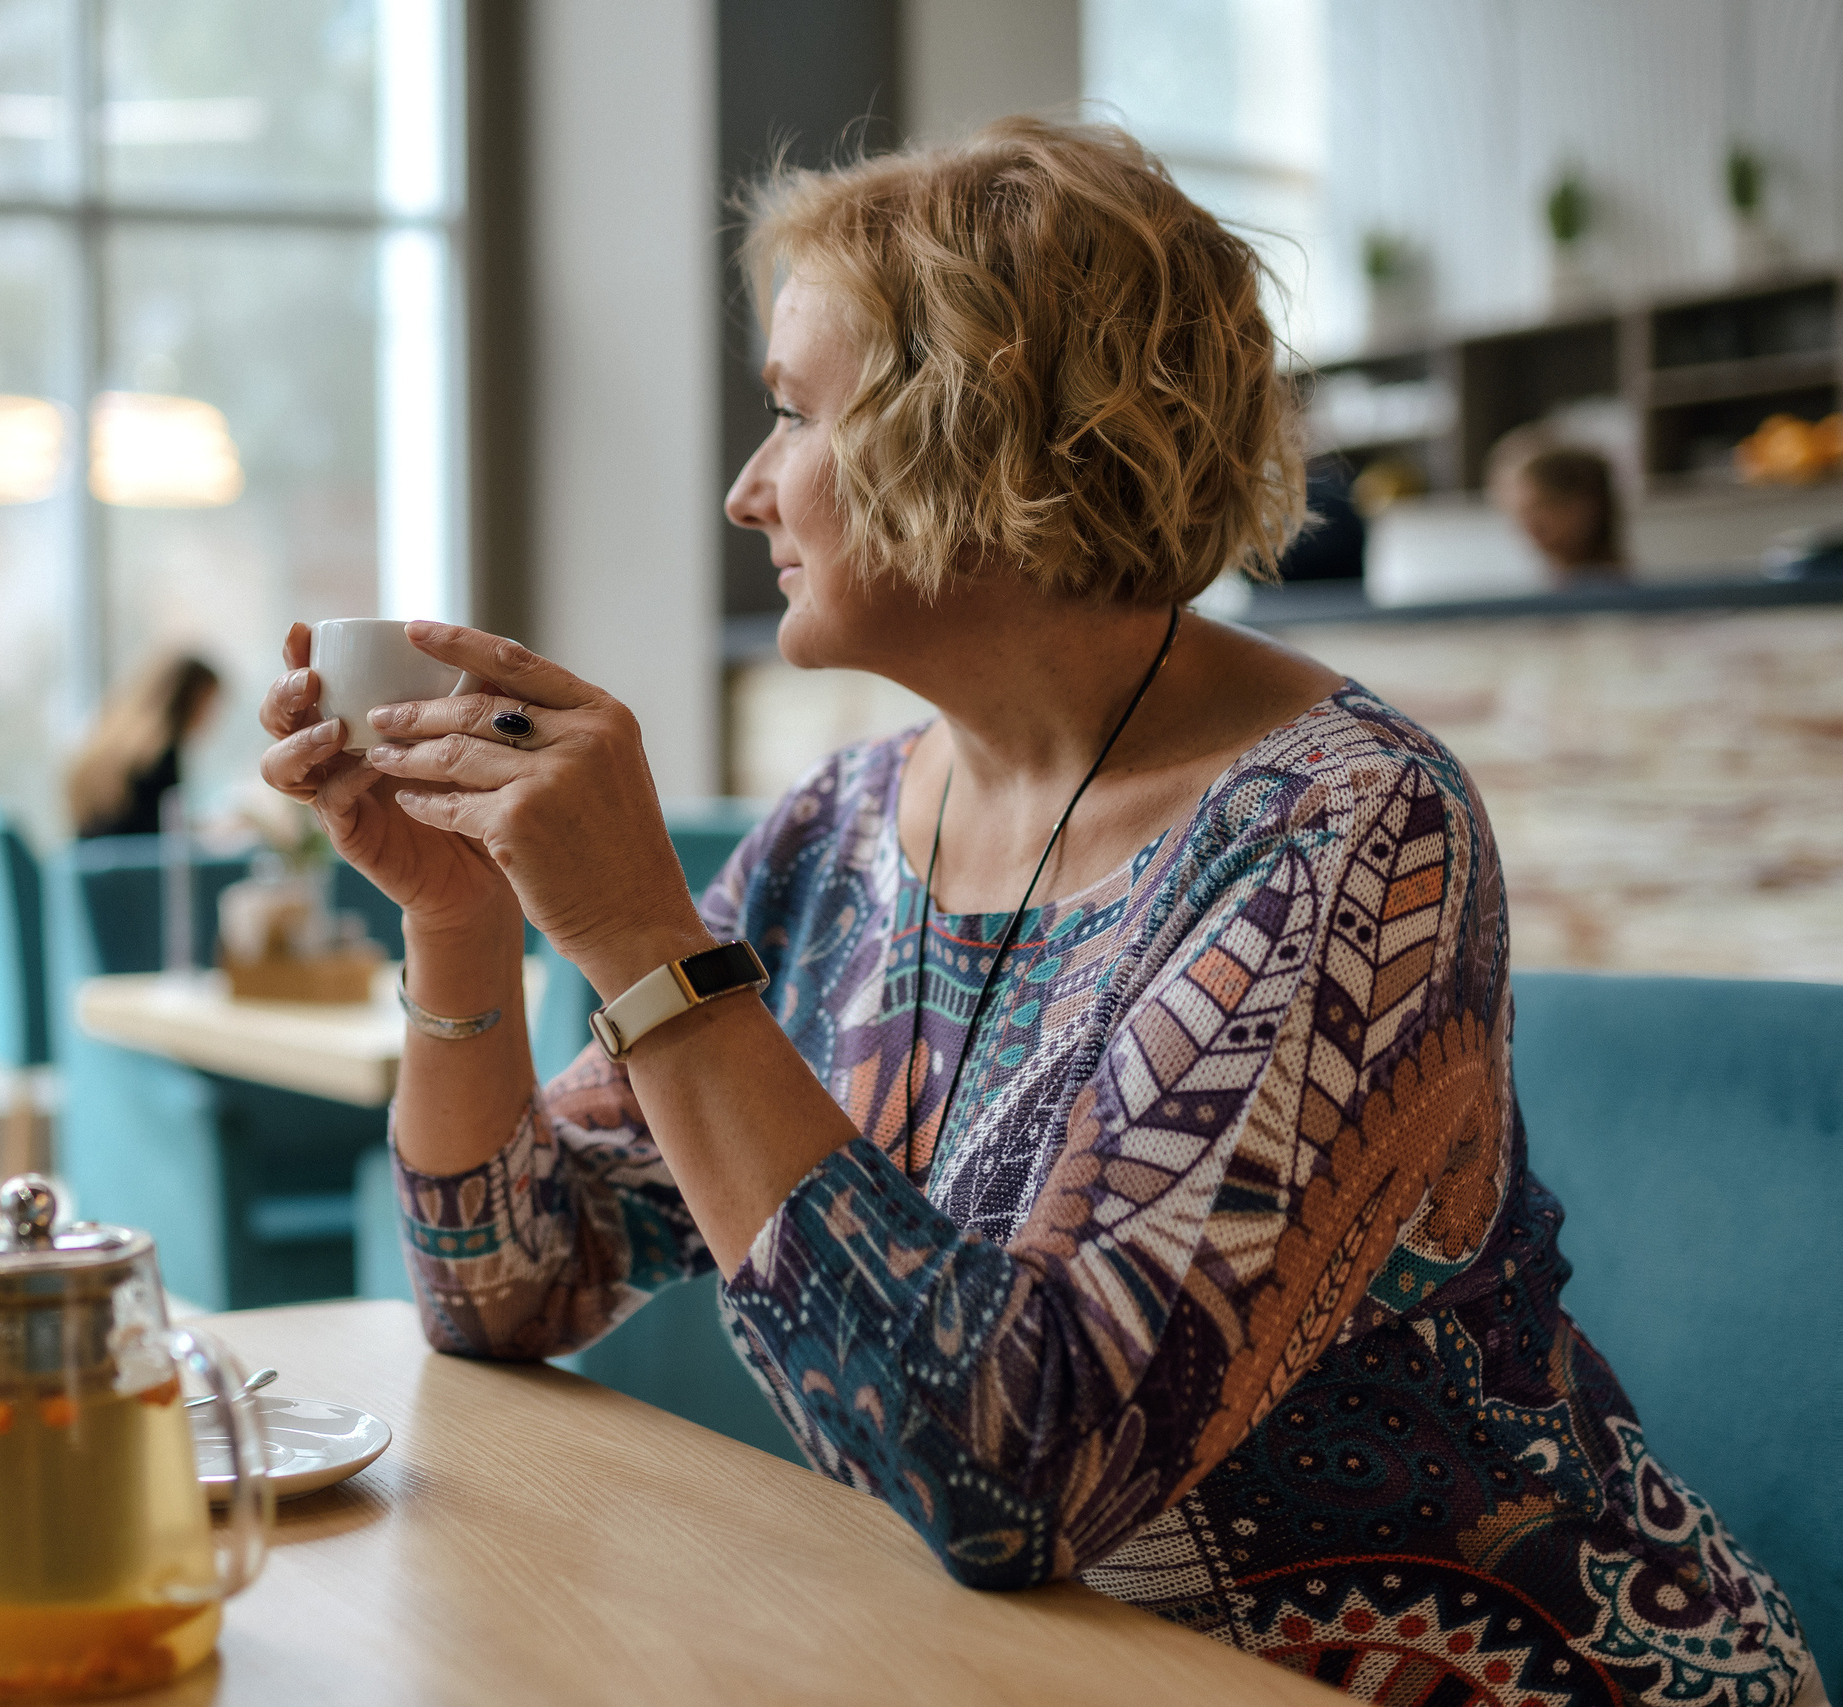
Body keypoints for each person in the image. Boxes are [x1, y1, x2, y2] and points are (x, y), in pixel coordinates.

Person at [259, 120, 1818, 1705]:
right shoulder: (838, 830)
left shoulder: (1343, 828)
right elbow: (507, 1279)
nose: (744, 490)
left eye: (795, 413)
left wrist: (648, 948)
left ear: (988, 437)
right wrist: (460, 923)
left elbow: (1025, 1471)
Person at [66, 652, 222, 839]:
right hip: (132, 866)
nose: (210, 718)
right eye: (208, 705)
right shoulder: (162, 759)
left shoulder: (119, 749)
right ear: (188, 700)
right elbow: (161, 834)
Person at [1490, 431, 1628, 583]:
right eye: (1522, 510)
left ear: (1585, 508)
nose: (1529, 521)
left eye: (1545, 505)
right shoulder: (1545, 584)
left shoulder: (1616, 590)